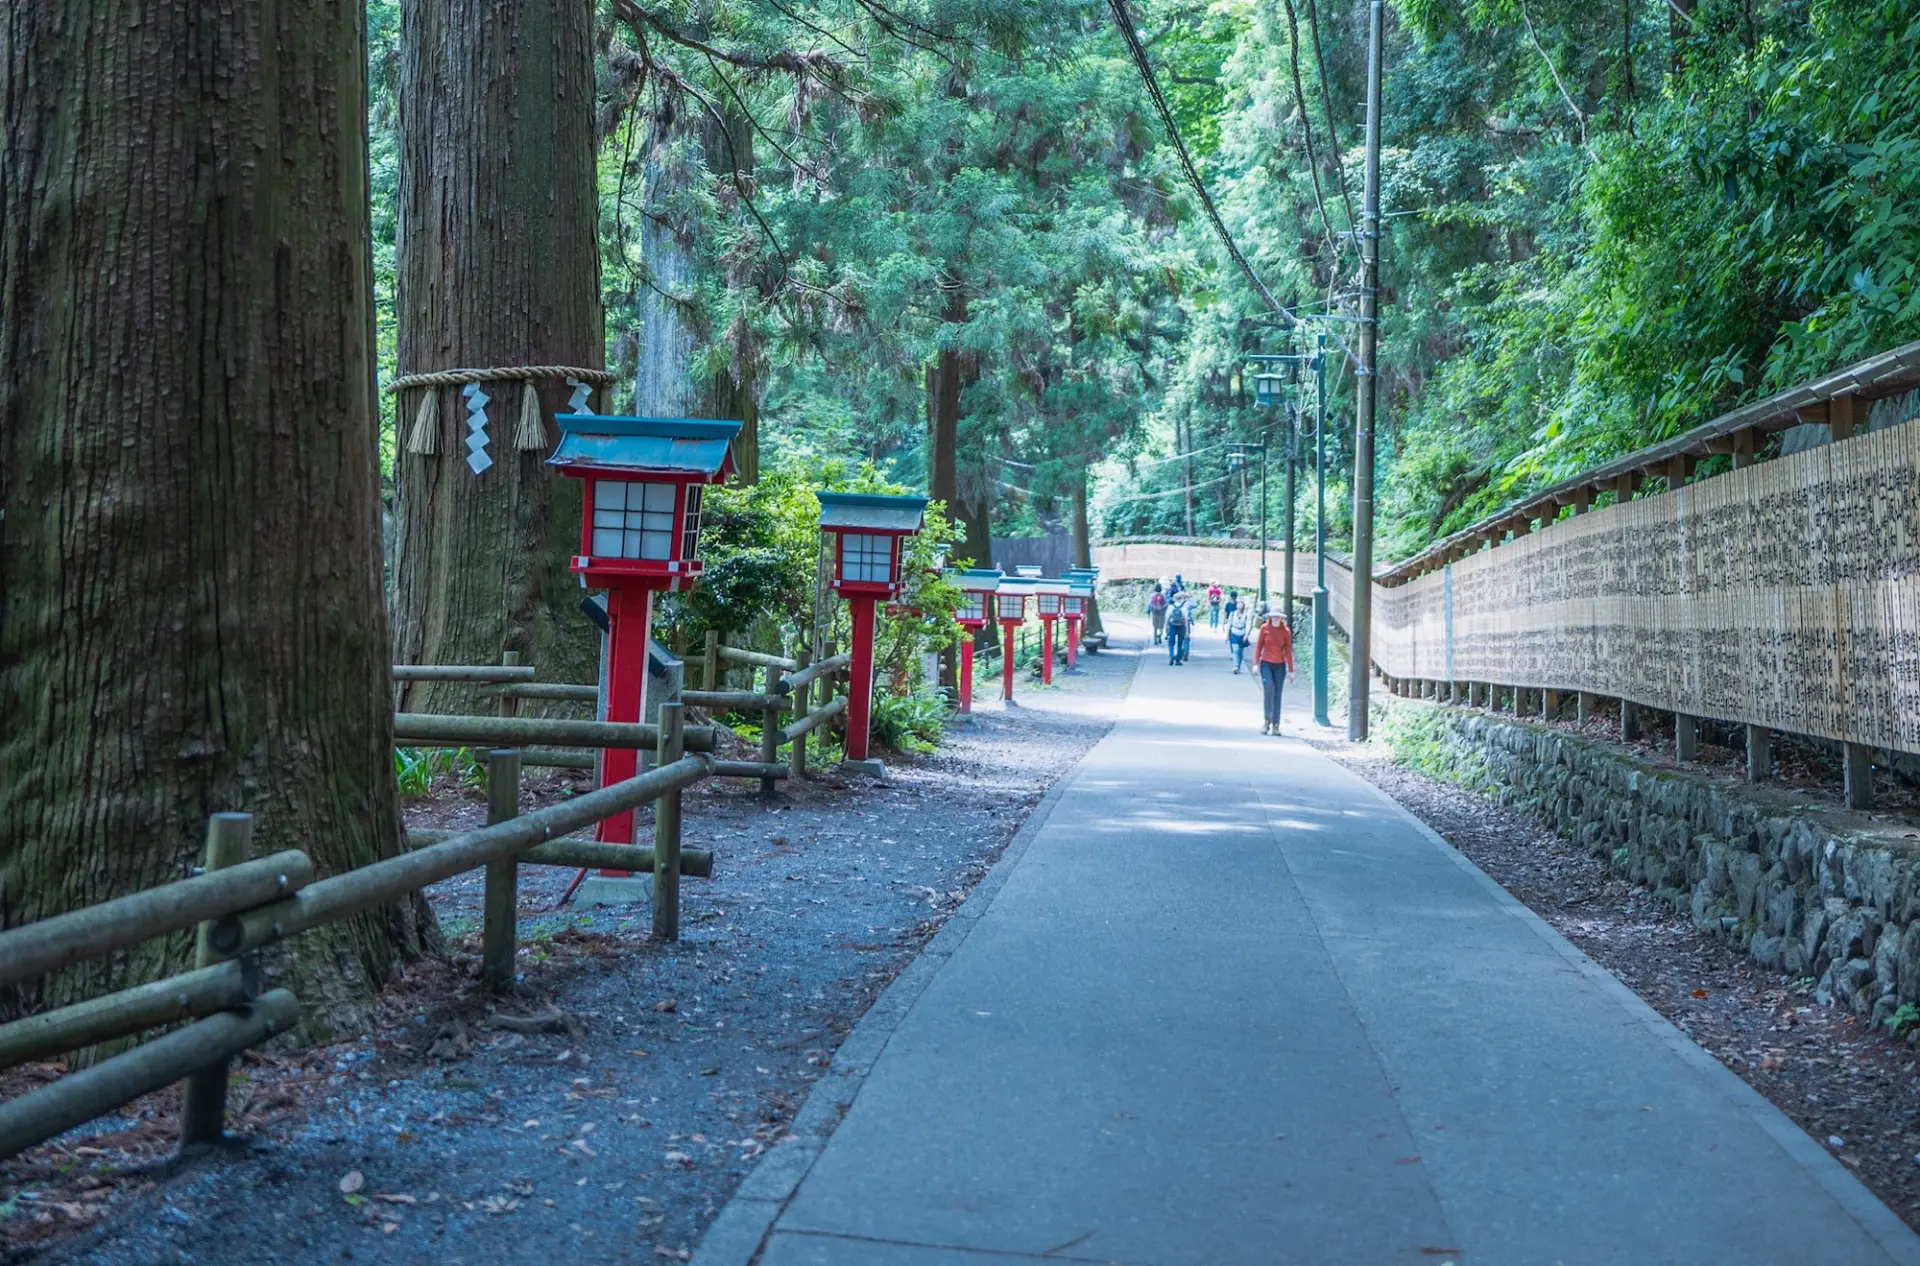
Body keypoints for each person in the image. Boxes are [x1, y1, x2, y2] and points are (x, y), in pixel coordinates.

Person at [1254, 606, 1296, 734]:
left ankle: (1276, 725)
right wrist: (1256, 664)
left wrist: (1291, 670)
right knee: (1268, 687)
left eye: (1278, 616)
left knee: (1278, 694)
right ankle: (1267, 721)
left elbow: (1288, 651)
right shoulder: (1264, 628)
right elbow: (1259, 646)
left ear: (1281, 618)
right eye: (1273, 616)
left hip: (1280, 665)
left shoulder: (1286, 631)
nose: (1275, 618)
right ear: (1270, 617)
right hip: (1266, 663)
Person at [1165, 589, 1191, 665]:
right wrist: (1187, 632)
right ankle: (1178, 660)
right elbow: (1186, 621)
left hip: (1172, 626)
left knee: (1171, 642)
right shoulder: (1183, 608)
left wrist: (1166, 628)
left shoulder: (1170, 607)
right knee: (1180, 644)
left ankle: (1172, 655)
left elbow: (1167, 618)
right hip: (1181, 627)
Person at [1225, 601, 1252, 673]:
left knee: (1240, 652)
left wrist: (1247, 634)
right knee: (1235, 650)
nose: (1240, 608)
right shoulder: (1232, 614)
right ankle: (1235, 666)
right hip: (1234, 632)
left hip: (1242, 633)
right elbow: (1229, 624)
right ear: (1237, 606)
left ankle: (1238, 666)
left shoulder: (1246, 615)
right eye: (1239, 606)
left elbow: (1248, 624)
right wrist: (1227, 635)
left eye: (1241, 606)